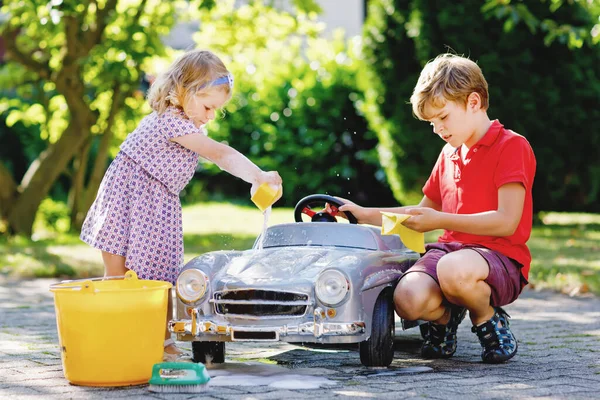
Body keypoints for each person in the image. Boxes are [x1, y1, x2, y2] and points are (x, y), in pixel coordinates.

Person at [80, 49, 283, 360]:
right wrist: (257, 176)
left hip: (153, 200)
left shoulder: (183, 124)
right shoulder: (171, 123)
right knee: (125, 275)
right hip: (135, 197)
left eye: (217, 110)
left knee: (153, 275)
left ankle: (154, 340)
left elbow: (218, 153)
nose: (211, 115)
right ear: (184, 91)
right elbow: (220, 154)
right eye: (208, 106)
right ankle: (131, 339)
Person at [337, 53, 536, 363]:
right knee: (407, 297)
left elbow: (507, 222)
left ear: (473, 102)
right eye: (432, 122)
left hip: (498, 257)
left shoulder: (512, 146)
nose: (437, 129)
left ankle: (487, 318)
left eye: (443, 117)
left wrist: (440, 219)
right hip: (450, 256)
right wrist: (364, 213)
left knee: (452, 270)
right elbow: (421, 214)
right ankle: (444, 320)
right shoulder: (448, 154)